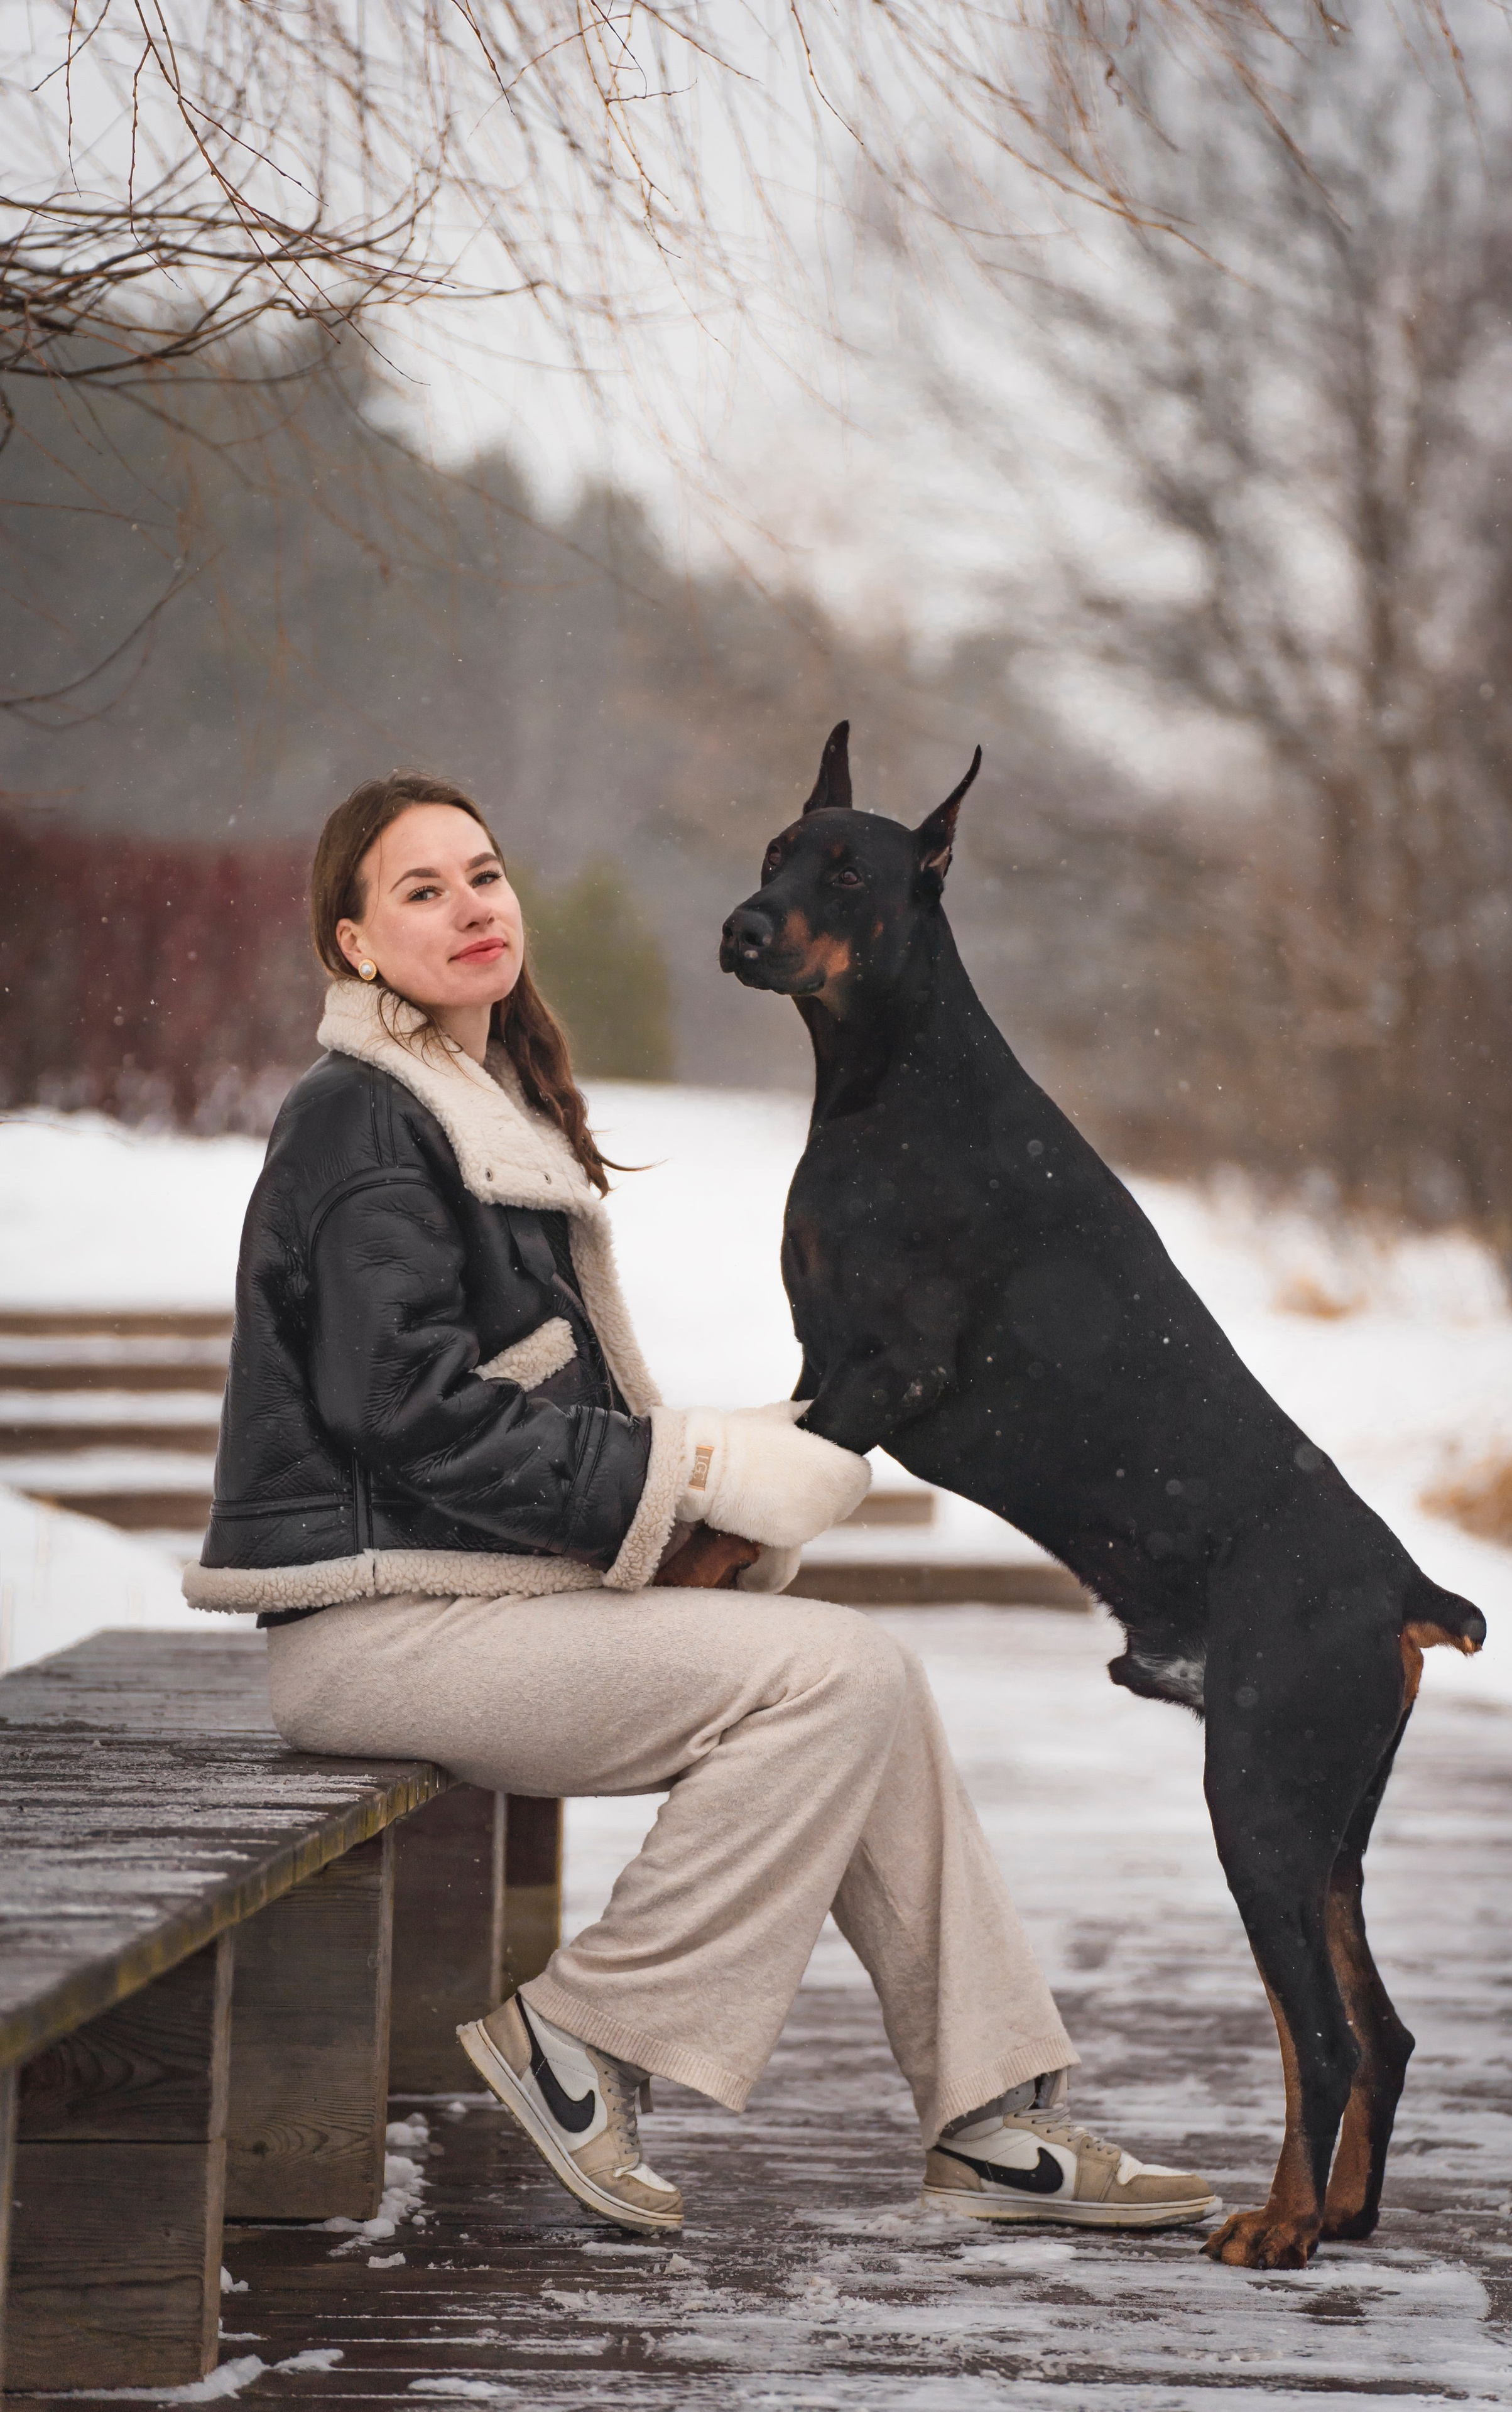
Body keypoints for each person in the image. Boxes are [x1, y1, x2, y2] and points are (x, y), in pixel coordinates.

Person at [185, 769, 1219, 2237]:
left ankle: (990, 2110)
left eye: (483, 874)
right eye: (420, 891)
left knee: (871, 1686)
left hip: (465, 1596)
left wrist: (709, 1488)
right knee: (826, 1679)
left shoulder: (476, 1099)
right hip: (377, 1628)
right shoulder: (360, 1119)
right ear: (353, 945)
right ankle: (581, 2037)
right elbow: (401, 1409)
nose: (471, 908)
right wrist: (694, 1475)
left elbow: (515, 1405)